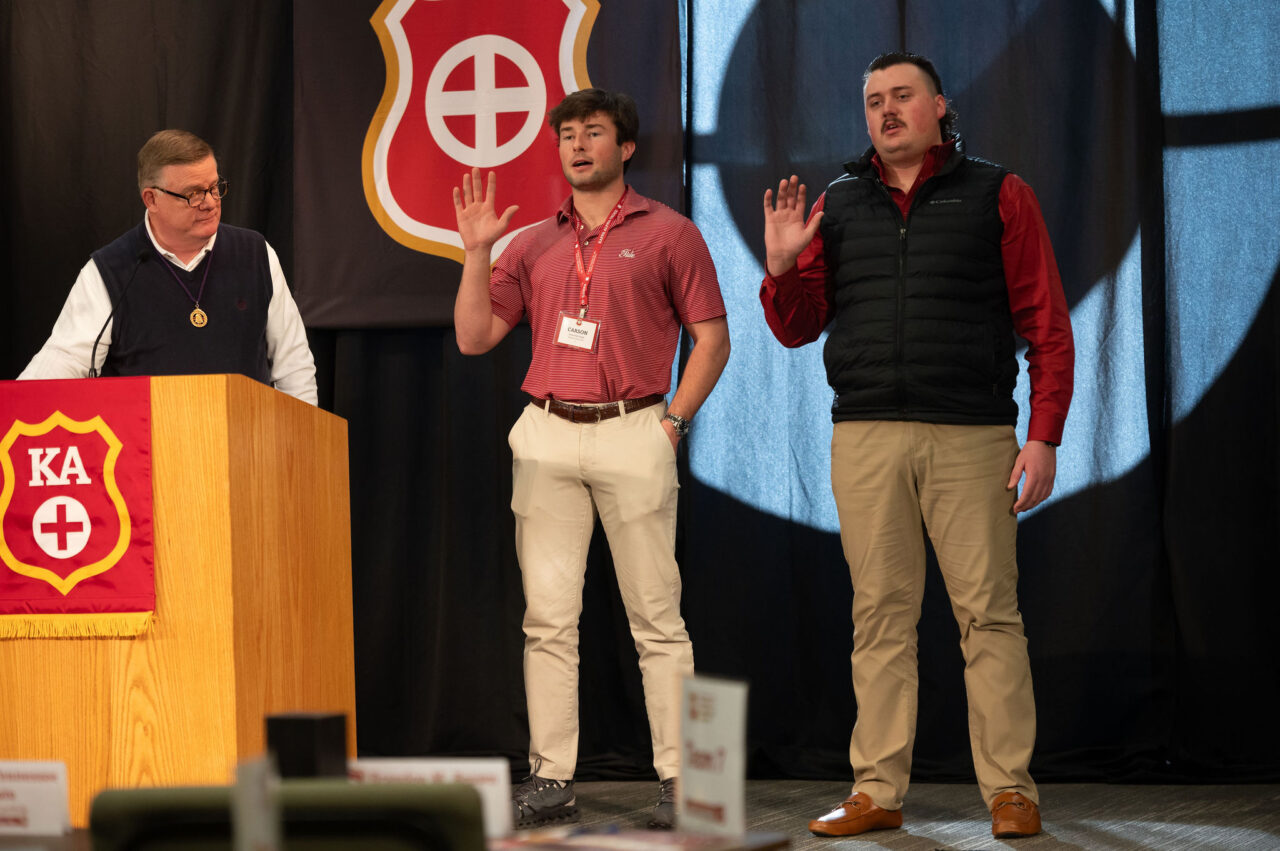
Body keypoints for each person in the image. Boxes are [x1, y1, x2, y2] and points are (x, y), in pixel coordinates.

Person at [760, 52, 1074, 839]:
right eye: (873, 101)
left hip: (973, 437)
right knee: (880, 618)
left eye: (902, 96)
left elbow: (1047, 326)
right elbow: (797, 328)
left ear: (941, 106)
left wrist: (1043, 436)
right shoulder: (836, 204)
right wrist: (781, 267)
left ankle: (1010, 790)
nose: (887, 110)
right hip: (864, 435)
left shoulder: (999, 193)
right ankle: (877, 790)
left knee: (990, 617)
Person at [452, 88, 729, 830]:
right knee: (547, 619)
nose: (578, 145)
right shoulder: (532, 242)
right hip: (546, 431)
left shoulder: (670, 233)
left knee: (658, 619)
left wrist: (672, 421)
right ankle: (549, 779)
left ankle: (688, 782)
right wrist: (477, 253)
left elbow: (712, 338)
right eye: (567, 135)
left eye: (594, 133)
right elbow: (475, 336)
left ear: (626, 146)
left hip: (634, 427)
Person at [19, 129, 317, 404]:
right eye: (194, 193)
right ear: (152, 199)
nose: (211, 203)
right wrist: (18, 410)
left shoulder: (256, 253)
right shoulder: (110, 270)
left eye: (215, 187)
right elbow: (64, 359)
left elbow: (294, 365)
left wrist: (305, 444)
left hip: (247, 448)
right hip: (149, 453)